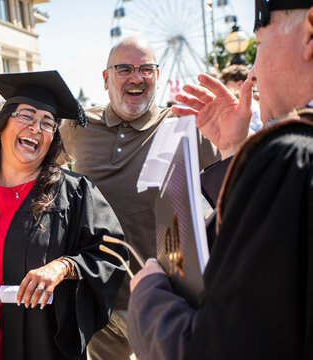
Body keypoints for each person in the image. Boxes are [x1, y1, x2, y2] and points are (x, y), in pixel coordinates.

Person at [128, 1, 313, 359]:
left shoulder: (293, 157)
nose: (253, 73)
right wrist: (234, 149)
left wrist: (148, 293)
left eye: (259, 45)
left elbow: (217, 348)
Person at [0, 70, 127, 360]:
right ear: (2, 124)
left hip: (45, 341)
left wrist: (64, 266)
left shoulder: (73, 192)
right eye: (26, 115)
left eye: (47, 123)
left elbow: (112, 252)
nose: (36, 128)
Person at [59, 37, 220, 360]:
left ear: (157, 76)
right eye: (125, 69)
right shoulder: (77, 126)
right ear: (106, 79)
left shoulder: (183, 125)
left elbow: (234, 181)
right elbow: (36, 171)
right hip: (99, 293)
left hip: (164, 296)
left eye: (147, 69)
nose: (137, 77)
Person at [219, 64, 263, 132]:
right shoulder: (248, 103)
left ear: (239, 83)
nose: (223, 85)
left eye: (225, 82)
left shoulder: (249, 105)